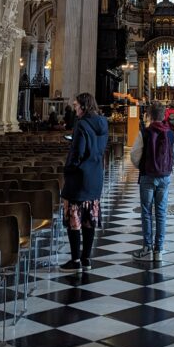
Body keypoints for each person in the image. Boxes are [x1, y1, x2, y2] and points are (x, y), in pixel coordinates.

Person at [60, 92, 108, 274]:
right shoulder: (103, 123)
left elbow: (78, 153)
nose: (75, 108)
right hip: (95, 175)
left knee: (74, 217)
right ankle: (86, 258)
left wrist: (69, 168)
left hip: (79, 177)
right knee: (90, 218)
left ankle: (75, 260)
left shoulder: (81, 125)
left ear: (83, 106)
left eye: (76, 105)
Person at [130, 101, 174, 263]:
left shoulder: (144, 132)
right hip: (164, 177)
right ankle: (159, 249)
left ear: (149, 116)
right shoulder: (170, 133)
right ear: (163, 115)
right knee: (161, 213)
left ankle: (147, 247)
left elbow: (135, 155)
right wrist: (166, 167)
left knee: (146, 212)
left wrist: (143, 167)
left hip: (147, 177)